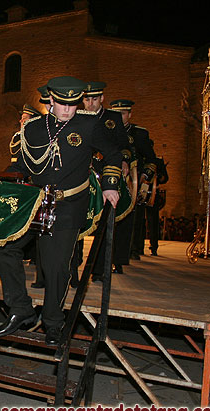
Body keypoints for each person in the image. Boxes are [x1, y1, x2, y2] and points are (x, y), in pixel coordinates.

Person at [0, 76, 122, 345]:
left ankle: (53, 322)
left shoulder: (89, 124)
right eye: (62, 104)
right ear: (51, 100)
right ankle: (20, 309)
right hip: (36, 201)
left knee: (55, 267)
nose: (67, 110)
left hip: (69, 204)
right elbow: (25, 166)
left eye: (73, 104)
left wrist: (110, 184)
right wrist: (0, 180)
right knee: (5, 245)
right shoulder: (34, 128)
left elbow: (113, 153)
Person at [80, 82, 131, 280]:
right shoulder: (78, 117)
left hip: (106, 172)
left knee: (104, 221)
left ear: (102, 99)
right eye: (86, 99)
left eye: (94, 99)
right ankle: (72, 266)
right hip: (82, 173)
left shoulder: (112, 118)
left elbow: (124, 146)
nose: (90, 103)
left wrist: (124, 161)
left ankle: (99, 269)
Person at [108, 99, 157, 265]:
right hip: (110, 179)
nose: (119, 117)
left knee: (128, 221)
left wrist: (144, 177)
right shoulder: (106, 131)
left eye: (122, 113)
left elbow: (151, 160)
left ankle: (126, 255)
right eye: (116, 113)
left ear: (129, 114)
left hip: (131, 183)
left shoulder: (139, 134)